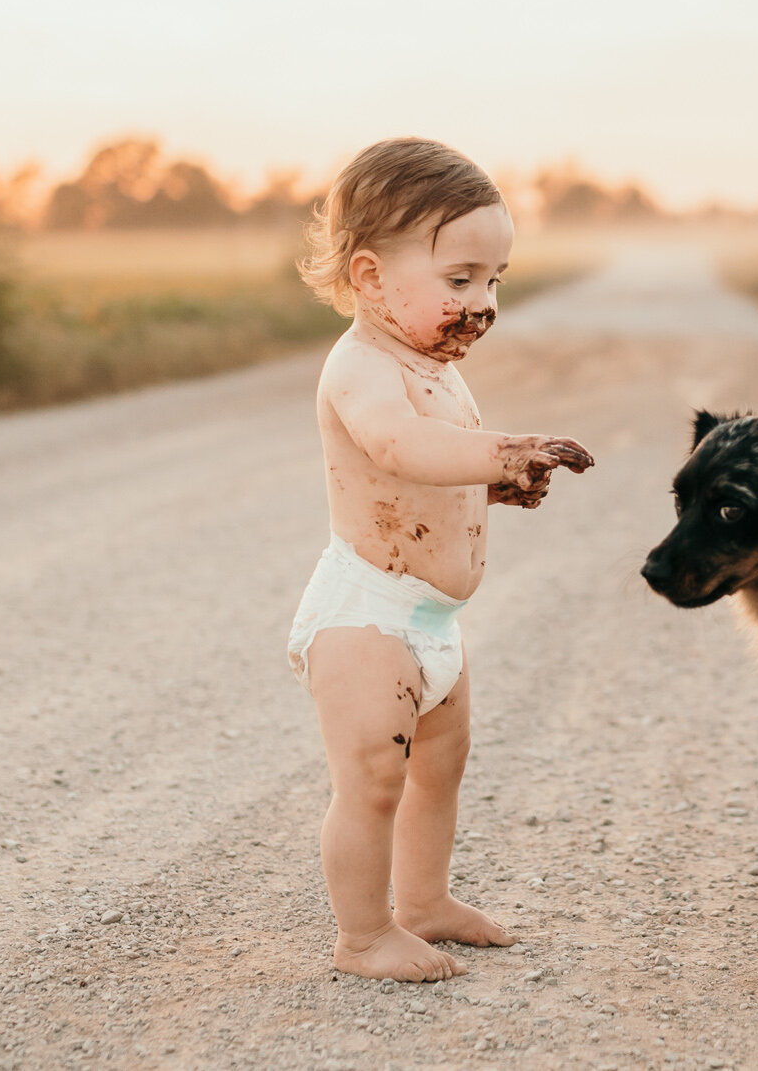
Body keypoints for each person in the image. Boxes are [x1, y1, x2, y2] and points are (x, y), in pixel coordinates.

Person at [288, 137, 593, 981]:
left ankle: (423, 901)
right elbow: (398, 444)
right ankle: (362, 936)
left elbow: (430, 476)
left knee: (440, 768)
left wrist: (495, 486)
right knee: (375, 780)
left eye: (495, 280)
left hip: (433, 621)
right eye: (459, 280)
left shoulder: (434, 366)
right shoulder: (361, 368)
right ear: (370, 277)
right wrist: (502, 450)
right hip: (368, 616)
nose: (483, 302)